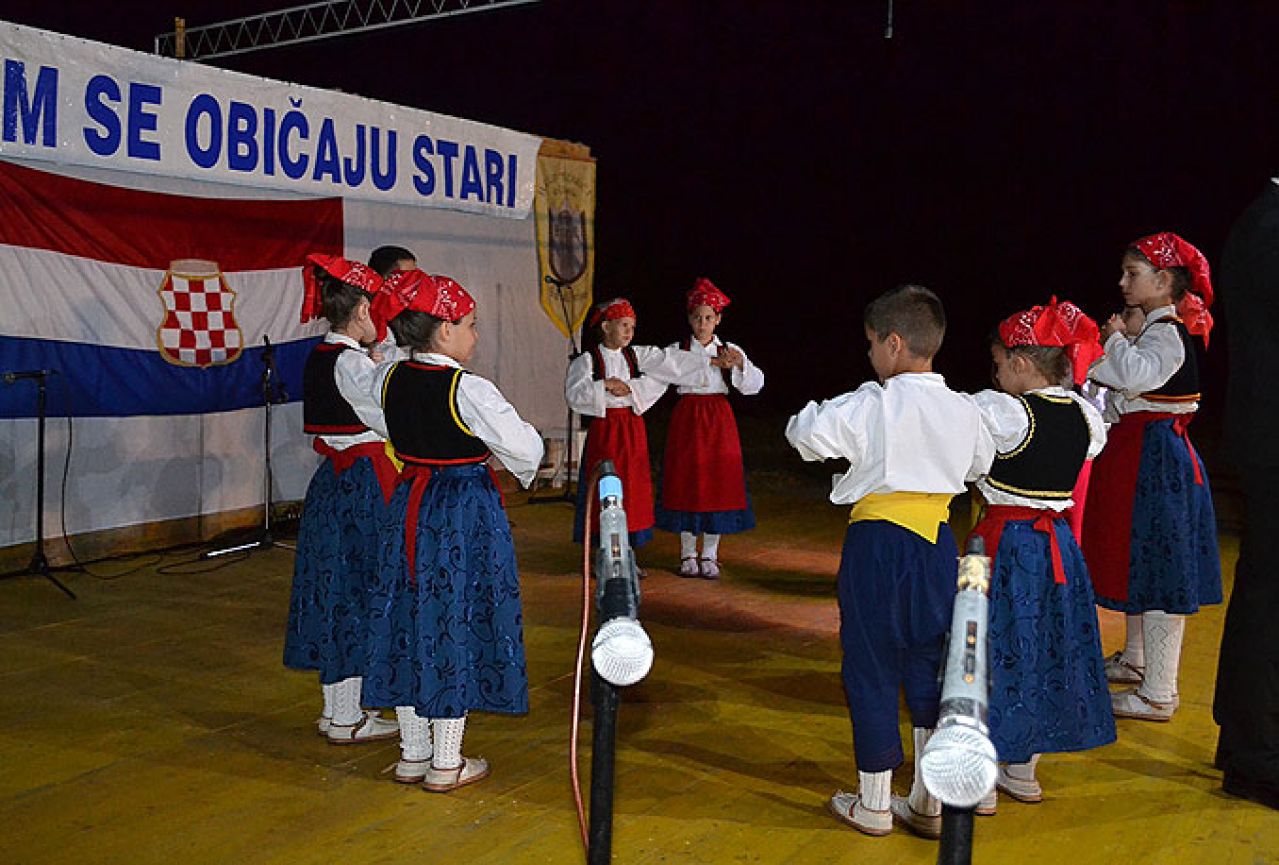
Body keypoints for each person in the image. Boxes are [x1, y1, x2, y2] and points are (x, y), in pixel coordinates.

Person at [784, 284, 994, 839]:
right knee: (928, 663)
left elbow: (805, 435)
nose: (871, 354)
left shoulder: (872, 401)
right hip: (936, 545)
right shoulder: (965, 407)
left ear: (894, 344)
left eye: (872, 343)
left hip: (878, 542)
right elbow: (982, 464)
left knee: (872, 662)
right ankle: (927, 802)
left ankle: (874, 802)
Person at [362, 269, 544, 791]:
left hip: (409, 508)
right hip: (461, 513)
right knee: (453, 617)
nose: (475, 335)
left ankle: (412, 752)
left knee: (408, 615)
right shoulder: (469, 390)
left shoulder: (388, 377)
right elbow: (525, 449)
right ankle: (446, 760)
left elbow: (377, 421)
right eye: (469, 324)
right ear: (443, 330)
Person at [968, 298, 1115, 814]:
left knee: (987, 646)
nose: (997, 373)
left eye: (1000, 363)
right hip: (1058, 550)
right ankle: (1023, 768)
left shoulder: (1007, 413)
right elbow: (1082, 456)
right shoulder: (1084, 415)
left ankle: (983, 776)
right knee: (1040, 648)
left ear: (1022, 364)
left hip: (1002, 545)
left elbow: (970, 462)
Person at [1082, 232, 1222, 722]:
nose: (1123, 282)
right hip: (1143, 454)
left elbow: (1136, 376)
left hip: (1156, 460)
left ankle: (1159, 692)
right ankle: (1139, 660)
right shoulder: (1159, 326)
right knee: (1142, 557)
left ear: (1163, 281)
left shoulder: (1166, 331)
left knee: (1160, 565)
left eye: (1132, 274)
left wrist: (1113, 340)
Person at [283, 254, 400, 745]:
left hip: (333, 481)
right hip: (361, 486)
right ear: (361, 312)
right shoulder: (353, 364)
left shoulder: (322, 355)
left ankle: (339, 712)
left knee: (335, 589)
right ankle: (347, 717)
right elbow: (388, 416)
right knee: (356, 589)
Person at [1214, 182, 1279, 809]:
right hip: (1273, 441)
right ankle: (1257, 756)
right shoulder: (1269, 227)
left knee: (1264, 590)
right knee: (1271, 600)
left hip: (1265, 437)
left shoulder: (1262, 218)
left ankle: (1242, 741)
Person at [566, 297, 714, 551]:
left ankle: (628, 552)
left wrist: (633, 390)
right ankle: (605, 551)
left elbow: (668, 364)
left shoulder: (636, 355)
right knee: (606, 485)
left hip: (632, 428)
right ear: (605, 326)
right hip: (605, 430)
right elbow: (574, 394)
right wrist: (604, 386)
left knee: (632, 489)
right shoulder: (588, 361)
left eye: (632, 327)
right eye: (623, 325)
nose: (628, 332)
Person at [655, 278, 764, 579]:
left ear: (718, 319)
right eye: (697, 318)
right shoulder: (677, 349)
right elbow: (661, 370)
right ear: (689, 319)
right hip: (688, 417)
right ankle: (687, 553)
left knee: (717, 483)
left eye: (708, 318)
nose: (702, 324)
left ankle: (710, 555)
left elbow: (754, 385)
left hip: (717, 418)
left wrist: (739, 365)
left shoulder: (729, 349)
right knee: (687, 482)